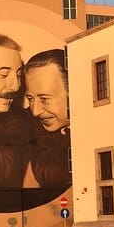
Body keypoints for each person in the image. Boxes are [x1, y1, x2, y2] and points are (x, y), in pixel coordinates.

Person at [0, 34, 69, 212]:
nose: (15, 86)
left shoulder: (17, 119)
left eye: (18, 75)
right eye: (4, 74)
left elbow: (4, 173)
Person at [23, 49, 72, 192]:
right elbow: (51, 177)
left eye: (44, 99)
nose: (35, 111)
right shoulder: (29, 121)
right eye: (30, 99)